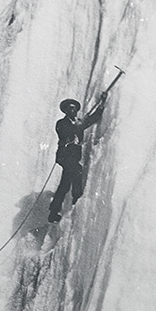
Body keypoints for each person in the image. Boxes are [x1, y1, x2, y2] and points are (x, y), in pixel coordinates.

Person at [48, 93, 107, 222]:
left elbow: (92, 119)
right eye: (70, 108)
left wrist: (102, 104)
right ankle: (76, 198)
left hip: (73, 157)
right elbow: (64, 132)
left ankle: (53, 212)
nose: (73, 110)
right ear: (66, 111)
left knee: (64, 185)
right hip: (65, 156)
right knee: (77, 170)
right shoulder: (62, 123)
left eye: (74, 108)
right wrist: (76, 127)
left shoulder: (78, 123)